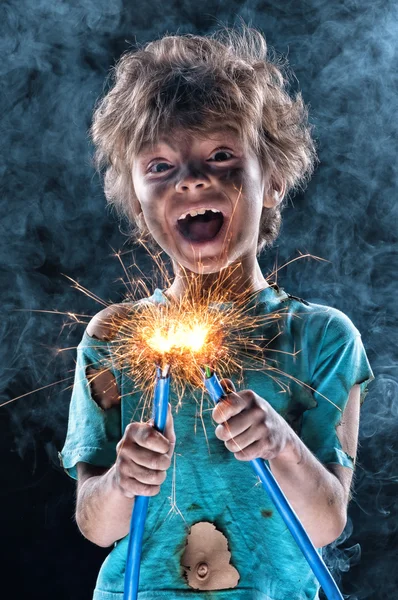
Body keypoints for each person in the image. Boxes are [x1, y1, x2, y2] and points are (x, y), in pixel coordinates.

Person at [59, 26, 374, 600]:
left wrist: (279, 443)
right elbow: (95, 524)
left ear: (273, 181)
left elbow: (327, 522)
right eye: (159, 166)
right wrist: (123, 481)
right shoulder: (113, 336)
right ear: (136, 201)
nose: (191, 179)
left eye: (222, 155)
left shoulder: (322, 338)